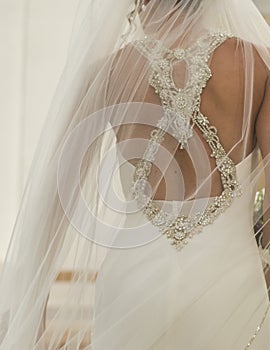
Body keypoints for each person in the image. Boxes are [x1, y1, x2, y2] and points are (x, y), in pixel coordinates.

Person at [0, 0, 270, 349]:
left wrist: (33, 309)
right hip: (229, 280)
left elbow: (53, 200)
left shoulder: (109, 72)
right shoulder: (256, 63)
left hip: (133, 279)